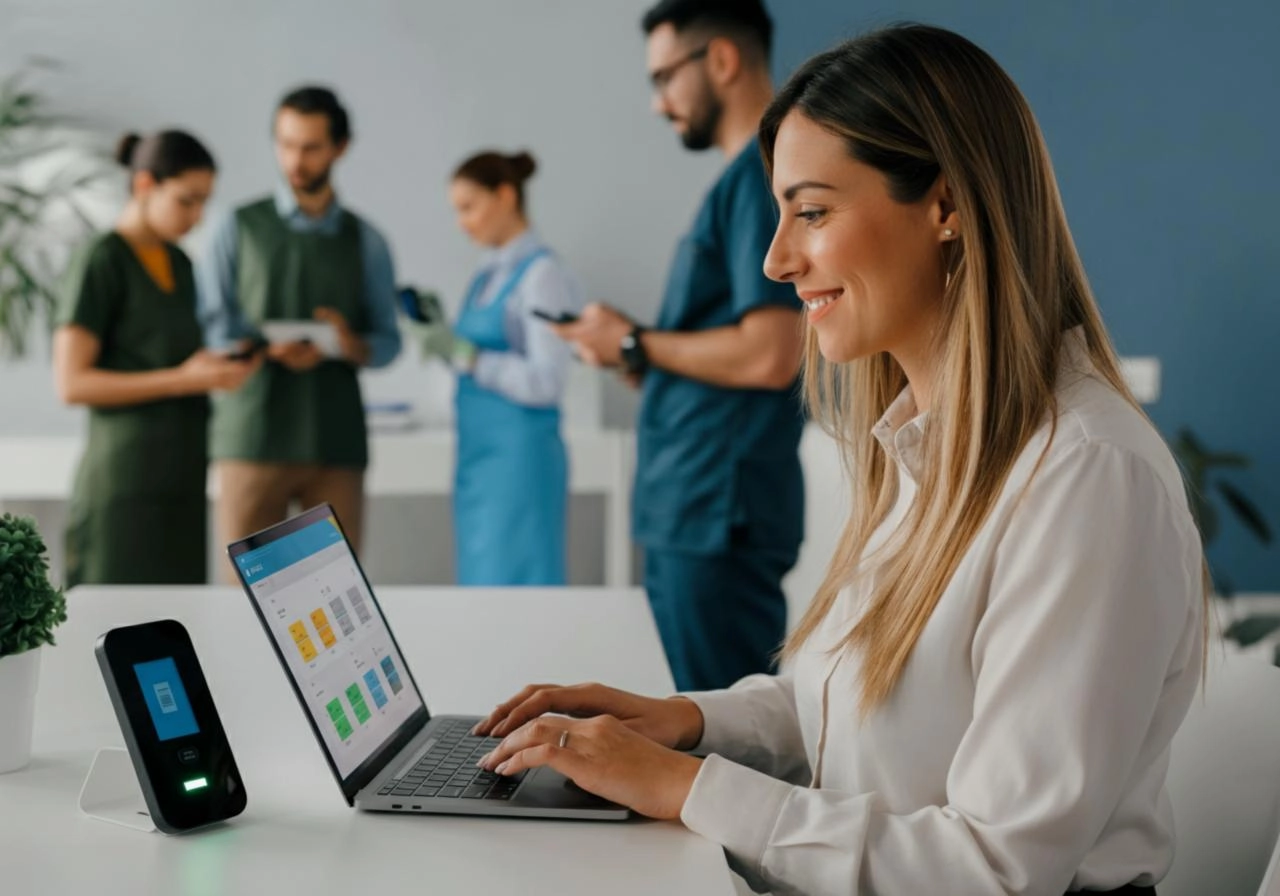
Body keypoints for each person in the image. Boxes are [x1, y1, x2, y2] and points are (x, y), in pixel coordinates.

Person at [472, 24, 1206, 896]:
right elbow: (849, 710)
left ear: (947, 206)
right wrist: (683, 723)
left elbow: (996, 870)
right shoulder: (919, 447)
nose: (777, 260)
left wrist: (687, 786)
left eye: (812, 212)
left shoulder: (1086, 477)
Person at [550, 0, 805, 691]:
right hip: (693, 510)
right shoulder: (739, 183)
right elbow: (722, 346)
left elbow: (772, 353)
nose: (659, 103)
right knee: (701, 723)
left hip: (715, 513)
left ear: (720, 59)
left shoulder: (760, 177)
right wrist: (640, 354)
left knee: (730, 741)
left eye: (664, 78)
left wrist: (636, 339)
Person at [198, 86, 401, 562]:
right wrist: (266, 351)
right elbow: (211, 325)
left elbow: (388, 340)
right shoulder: (238, 226)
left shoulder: (366, 240)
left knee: (338, 594)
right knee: (244, 592)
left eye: (310, 147)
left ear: (339, 148)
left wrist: (349, 345)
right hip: (252, 435)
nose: (295, 160)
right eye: (285, 144)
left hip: (336, 440)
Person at [54, 130, 259, 588]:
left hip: (182, 484)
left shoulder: (182, 264)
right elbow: (72, 383)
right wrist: (184, 379)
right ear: (145, 184)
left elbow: (174, 360)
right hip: (124, 487)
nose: (198, 216)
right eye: (187, 200)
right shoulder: (103, 259)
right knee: (112, 630)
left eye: (205, 202)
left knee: (177, 627)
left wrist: (221, 366)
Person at [414, 150, 581, 584]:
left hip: (521, 464)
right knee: (481, 587)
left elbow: (548, 380)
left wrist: (471, 357)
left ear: (505, 196)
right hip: (477, 462)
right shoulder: (484, 276)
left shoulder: (542, 275)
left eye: (468, 207)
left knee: (521, 587)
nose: (461, 222)